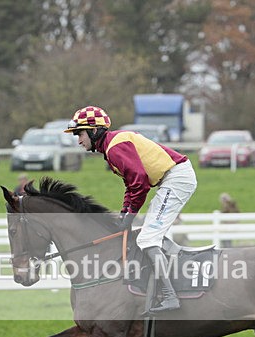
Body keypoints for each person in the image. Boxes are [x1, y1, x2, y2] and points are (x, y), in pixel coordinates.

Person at [64, 105, 197, 312]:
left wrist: (129, 216)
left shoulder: (114, 147)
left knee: (148, 238)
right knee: (148, 235)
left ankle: (170, 296)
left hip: (177, 179)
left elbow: (140, 183)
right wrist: (125, 212)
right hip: (172, 178)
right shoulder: (111, 147)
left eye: (80, 134)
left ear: (94, 130)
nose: (78, 140)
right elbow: (131, 185)